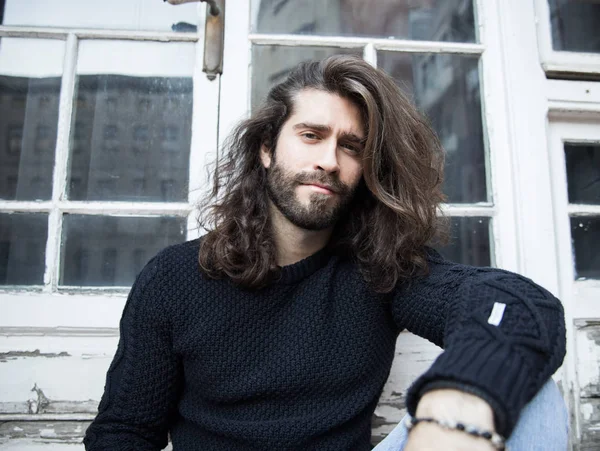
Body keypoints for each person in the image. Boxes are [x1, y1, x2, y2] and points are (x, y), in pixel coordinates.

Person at [83, 55, 568, 451]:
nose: (329, 161)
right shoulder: (175, 277)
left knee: (530, 393)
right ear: (267, 149)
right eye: (311, 135)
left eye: (352, 147)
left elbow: (519, 309)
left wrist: (459, 399)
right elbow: (124, 431)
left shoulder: (379, 269)